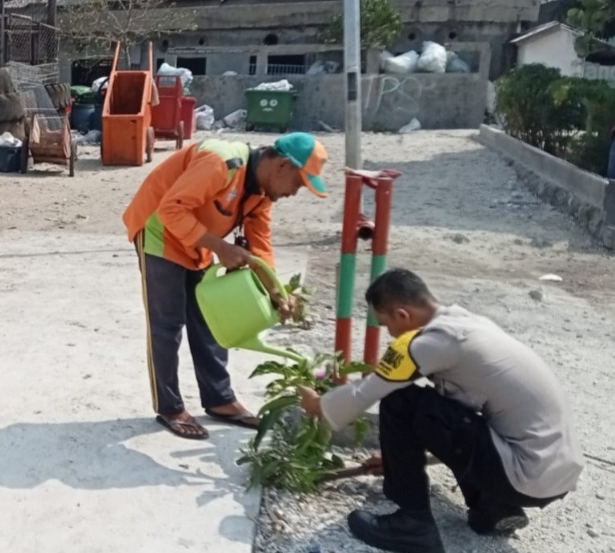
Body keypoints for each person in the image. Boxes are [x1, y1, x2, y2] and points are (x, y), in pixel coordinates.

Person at [297, 269, 583, 553]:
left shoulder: (436, 342)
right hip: (553, 474)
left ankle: (412, 524)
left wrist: (319, 405)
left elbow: (371, 390)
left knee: (401, 401)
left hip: (525, 474)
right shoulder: (466, 322)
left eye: (386, 325)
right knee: (445, 406)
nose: (390, 334)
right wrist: (401, 459)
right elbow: (463, 422)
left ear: (402, 315)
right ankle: (494, 508)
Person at [123, 133, 329, 440]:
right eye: (299, 184)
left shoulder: (261, 194)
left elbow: (261, 248)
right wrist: (220, 247)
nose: (295, 193)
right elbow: (171, 211)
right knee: (167, 324)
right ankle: (170, 407)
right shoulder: (221, 162)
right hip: (159, 233)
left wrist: (277, 293)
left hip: (199, 242)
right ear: (283, 166)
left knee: (209, 320)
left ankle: (219, 399)